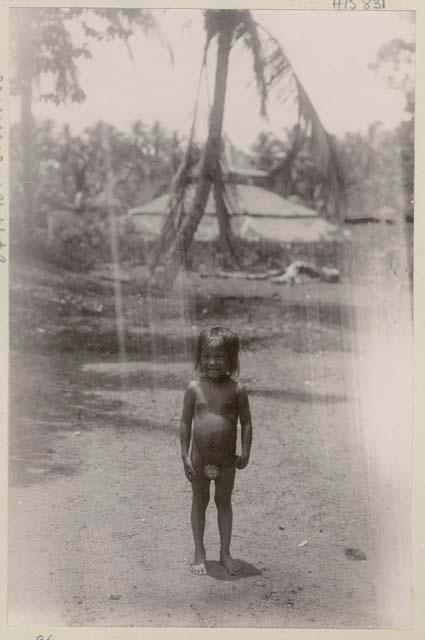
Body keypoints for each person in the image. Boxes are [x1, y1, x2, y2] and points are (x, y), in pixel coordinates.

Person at [180, 326, 253, 576]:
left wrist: (245, 452)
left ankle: (225, 552)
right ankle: (199, 552)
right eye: (206, 356)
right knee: (199, 502)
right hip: (199, 459)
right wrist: (184, 454)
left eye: (219, 357)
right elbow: (184, 422)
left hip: (226, 461)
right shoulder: (194, 388)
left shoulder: (237, 390)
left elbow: (247, 423)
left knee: (224, 502)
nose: (212, 362)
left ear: (231, 359)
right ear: (199, 357)